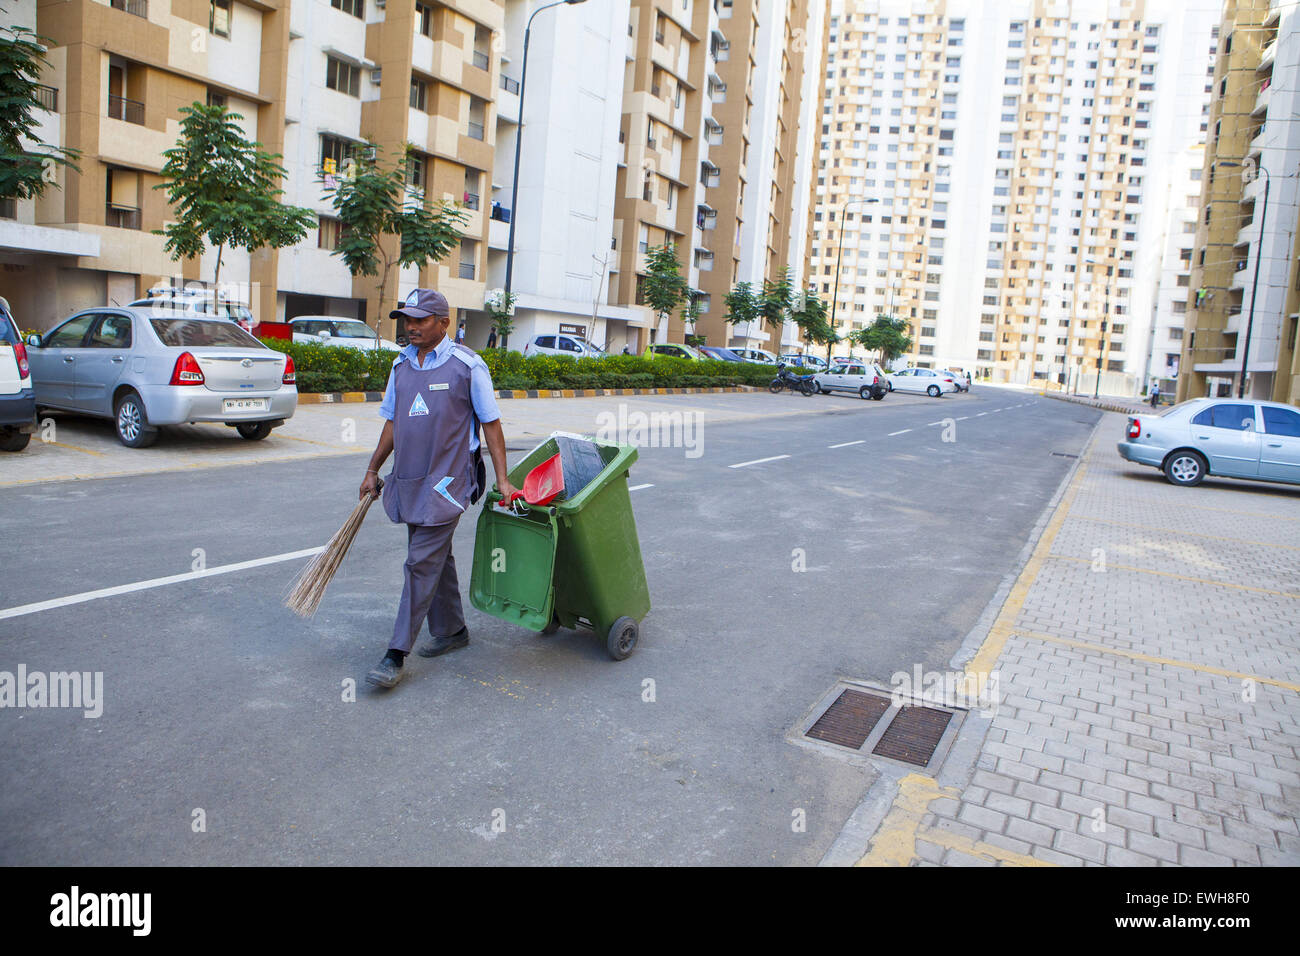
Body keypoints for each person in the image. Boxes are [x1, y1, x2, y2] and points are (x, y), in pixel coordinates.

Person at [359, 290, 519, 689]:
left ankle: (395, 653)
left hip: (449, 483)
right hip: (410, 479)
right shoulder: (400, 366)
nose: (411, 327)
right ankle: (451, 631)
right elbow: (393, 422)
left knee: (419, 562)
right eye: (407, 320)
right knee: (434, 556)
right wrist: (372, 468)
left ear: (444, 323)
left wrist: (502, 479)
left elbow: (492, 424)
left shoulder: (468, 366)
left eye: (421, 320)